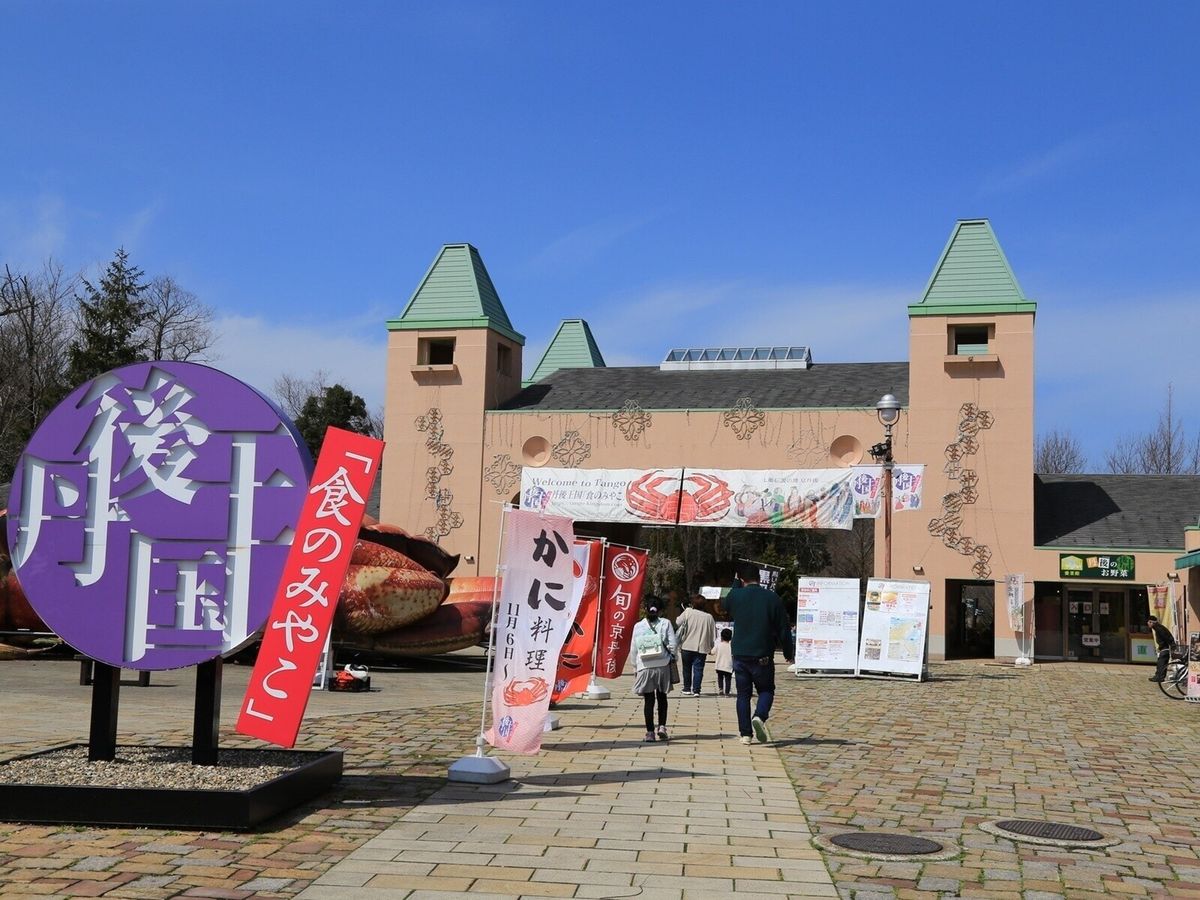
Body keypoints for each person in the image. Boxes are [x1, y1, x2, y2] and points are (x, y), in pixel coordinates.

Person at [723, 562, 794, 744]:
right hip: (762, 654)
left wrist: (735, 583)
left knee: (743, 695)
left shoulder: (736, 596)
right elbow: (783, 629)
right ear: (760, 578)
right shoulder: (772, 598)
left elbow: (726, 604)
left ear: (741, 579)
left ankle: (745, 734)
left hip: (739, 654)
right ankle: (760, 716)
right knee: (766, 690)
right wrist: (788, 652)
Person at [631, 601, 678, 741]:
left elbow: (633, 648)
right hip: (662, 665)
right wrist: (673, 657)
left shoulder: (638, 626)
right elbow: (673, 644)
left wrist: (635, 666)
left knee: (648, 700)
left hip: (645, 666)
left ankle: (650, 732)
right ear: (661, 611)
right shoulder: (666, 623)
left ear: (645, 609)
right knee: (662, 697)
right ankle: (662, 726)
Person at [675, 594, 717, 696]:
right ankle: (697, 690)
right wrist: (711, 646)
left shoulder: (688, 612)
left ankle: (687, 688)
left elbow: (677, 622)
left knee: (686, 668)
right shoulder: (709, 617)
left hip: (687, 645)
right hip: (701, 647)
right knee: (699, 669)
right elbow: (713, 634)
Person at [1148, 615, 1177, 682]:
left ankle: (1159, 677)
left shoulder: (1159, 628)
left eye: (1149, 623)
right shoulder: (1157, 627)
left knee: (1162, 663)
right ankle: (1157, 676)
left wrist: (1172, 645)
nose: (1148, 625)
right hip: (1164, 648)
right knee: (1160, 663)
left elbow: (1167, 637)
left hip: (1165, 648)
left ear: (1151, 622)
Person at [713, 627, 734, 696]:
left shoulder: (718, 645)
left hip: (719, 665)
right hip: (728, 666)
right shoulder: (732, 646)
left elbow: (712, 652)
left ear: (721, 636)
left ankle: (721, 689)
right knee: (728, 679)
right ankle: (727, 692)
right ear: (731, 637)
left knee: (720, 677)